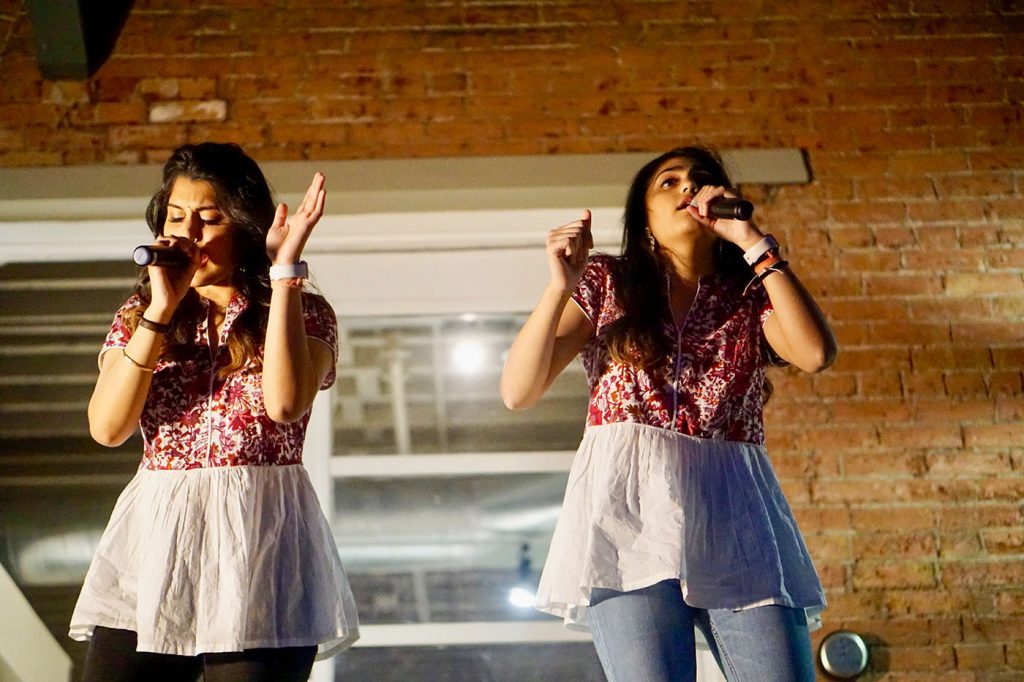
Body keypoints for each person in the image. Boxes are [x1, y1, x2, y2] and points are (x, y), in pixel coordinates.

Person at [500, 146, 836, 681]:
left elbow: (814, 354)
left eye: (701, 180)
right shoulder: (609, 279)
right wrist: (559, 287)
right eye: (670, 182)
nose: (689, 188)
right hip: (626, 509)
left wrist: (752, 242)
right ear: (645, 218)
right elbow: (518, 391)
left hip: (733, 506)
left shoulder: (749, 293)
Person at [69, 142, 359, 682]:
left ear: (245, 227)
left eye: (208, 218)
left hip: (259, 541)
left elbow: (286, 404)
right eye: (176, 217)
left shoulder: (300, 311)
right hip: (157, 542)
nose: (188, 234)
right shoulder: (140, 315)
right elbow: (107, 428)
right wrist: (160, 310)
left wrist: (285, 273)